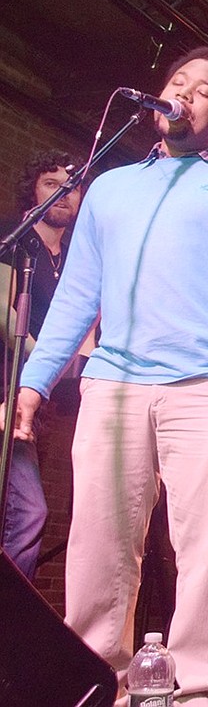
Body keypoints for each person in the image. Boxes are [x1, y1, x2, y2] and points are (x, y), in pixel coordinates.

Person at [11, 47, 208, 706]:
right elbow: (79, 294)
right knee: (98, 546)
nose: (184, 95)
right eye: (177, 84)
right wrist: (33, 382)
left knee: (205, 548)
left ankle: (201, 691)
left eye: (205, 91)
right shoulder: (109, 188)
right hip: (112, 388)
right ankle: (93, 683)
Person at [0, 149, 84, 580]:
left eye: (72, 186)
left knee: (23, 513)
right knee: (30, 511)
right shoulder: (12, 237)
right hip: (8, 385)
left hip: (35, 398)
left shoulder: (73, 259)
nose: (64, 194)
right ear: (33, 192)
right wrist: (49, 360)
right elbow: (2, 311)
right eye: (53, 184)